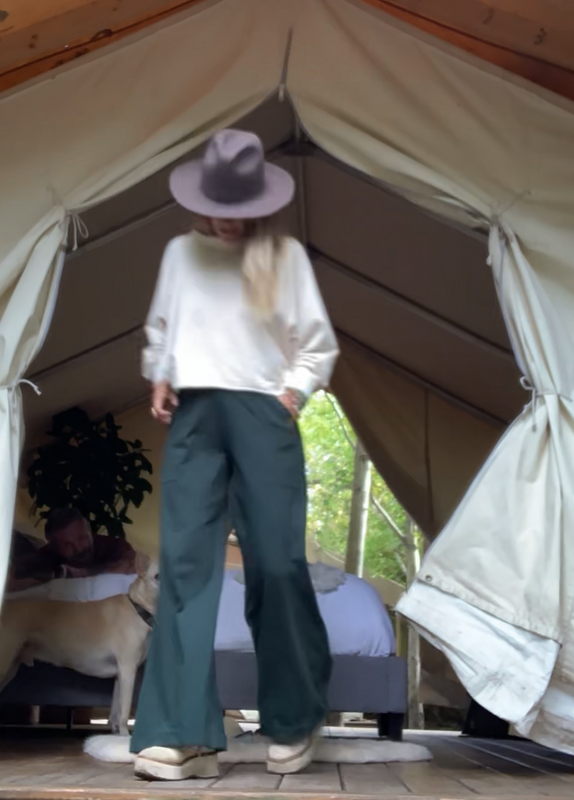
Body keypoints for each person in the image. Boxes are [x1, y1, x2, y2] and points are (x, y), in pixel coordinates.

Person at [130, 129, 339, 780]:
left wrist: (292, 395)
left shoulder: (285, 256)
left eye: (240, 209)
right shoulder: (178, 254)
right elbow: (165, 326)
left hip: (263, 414)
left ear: (261, 205)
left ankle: (296, 717)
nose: (228, 219)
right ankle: (181, 735)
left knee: (276, 564)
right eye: (219, 205)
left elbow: (317, 344)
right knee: (186, 570)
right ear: (202, 199)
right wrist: (160, 373)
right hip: (195, 414)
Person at [8, 507, 137, 590]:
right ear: (53, 546)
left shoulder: (114, 546)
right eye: (68, 545)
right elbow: (17, 576)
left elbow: (128, 566)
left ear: (88, 529)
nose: (79, 548)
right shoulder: (46, 556)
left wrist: (84, 574)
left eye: (82, 538)